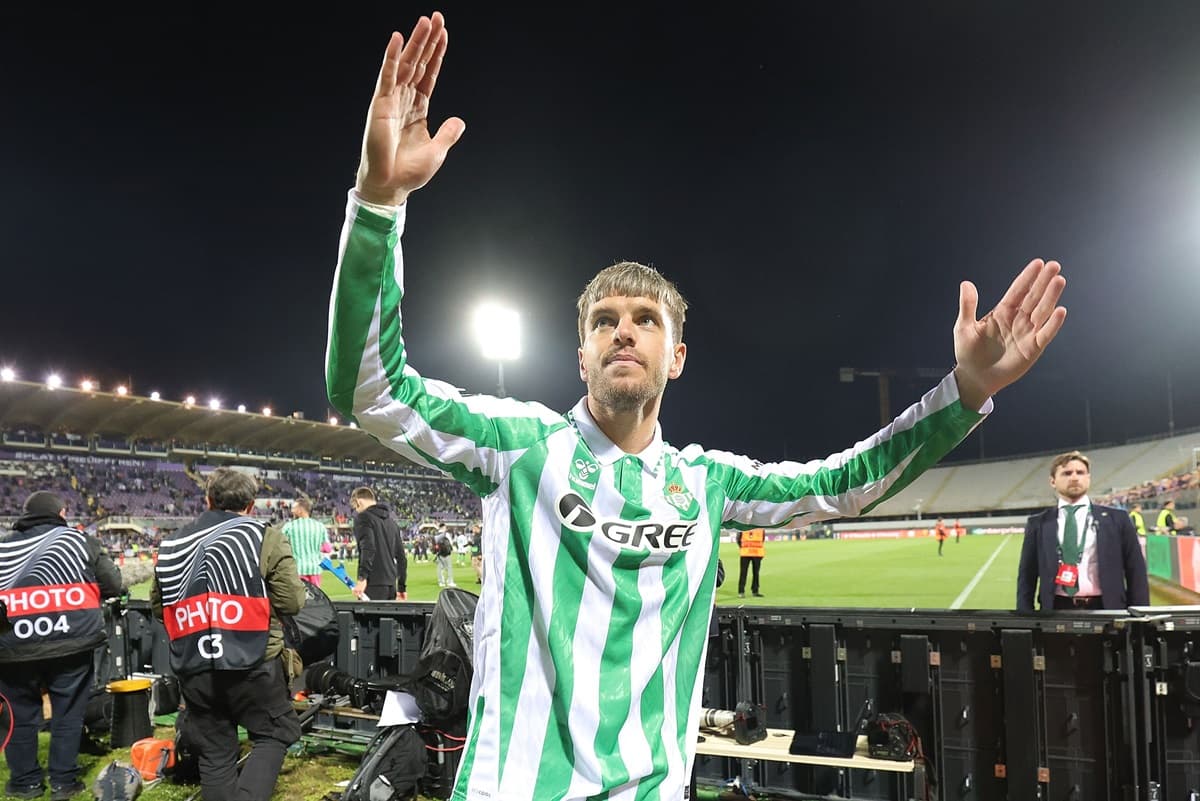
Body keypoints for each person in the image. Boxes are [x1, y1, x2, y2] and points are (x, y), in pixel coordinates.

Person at [323, 12, 1066, 799]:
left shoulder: (707, 482)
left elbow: (845, 481)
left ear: (676, 357)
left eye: (646, 321)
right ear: (579, 354)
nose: (623, 333)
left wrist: (968, 390)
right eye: (603, 322)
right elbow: (371, 386)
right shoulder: (521, 445)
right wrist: (378, 201)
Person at [150, 468, 307, 801]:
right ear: (251, 505)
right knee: (274, 733)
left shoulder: (173, 542)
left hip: (193, 664)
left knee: (215, 749)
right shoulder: (264, 535)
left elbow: (157, 606)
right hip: (254, 660)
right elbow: (291, 601)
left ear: (208, 500)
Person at [0, 491, 122, 801]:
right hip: (71, 641)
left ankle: (25, 783)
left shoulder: (2, 544)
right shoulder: (78, 540)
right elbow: (113, 584)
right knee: (67, 712)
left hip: (13, 646)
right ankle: (63, 782)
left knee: (19, 714)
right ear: (63, 512)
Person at [1016, 451, 1149, 612]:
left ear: (1088, 478)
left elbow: (1136, 570)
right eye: (1066, 473)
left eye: (1080, 472)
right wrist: (1024, 615)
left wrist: (1141, 615)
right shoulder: (1038, 523)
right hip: (1056, 609)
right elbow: (1027, 575)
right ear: (1053, 481)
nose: (1074, 477)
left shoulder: (1117, 519)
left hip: (1107, 607)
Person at [349, 487, 408, 601]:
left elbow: (368, 548)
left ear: (358, 502)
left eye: (356, 507)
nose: (356, 510)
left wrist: (362, 578)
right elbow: (401, 557)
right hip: (391, 585)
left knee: (369, 618)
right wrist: (401, 587)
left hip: (373, 584)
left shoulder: (363, 518)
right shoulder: (392, 523)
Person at [282, 497, 329, 585]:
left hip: (297, 570)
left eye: (293, 508)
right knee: (315, 597)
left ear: (300, 510)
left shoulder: (289, 527)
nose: (291, 511)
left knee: (298, 597)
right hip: (315, 569)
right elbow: (327, 549)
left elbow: (280, 546)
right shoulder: (320, 526)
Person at [736, 527, 765, 598]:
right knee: (753, 573)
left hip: (748, 552)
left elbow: (738, 539)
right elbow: (763, 539)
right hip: (753, 552)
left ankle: (742, 591)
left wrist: (743, 547)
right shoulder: (761, 528)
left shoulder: (742, 526)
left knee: (746, 573)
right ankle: (752, 591)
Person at [434, 524, 456, 588]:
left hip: (439, 553)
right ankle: (450, 581)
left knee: (440, 568)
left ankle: (441, 582)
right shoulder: (446, 534)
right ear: (443, 527)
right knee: (449, 568)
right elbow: (451, 543)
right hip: (446, 553)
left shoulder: (436, 535)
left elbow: (434, 545)